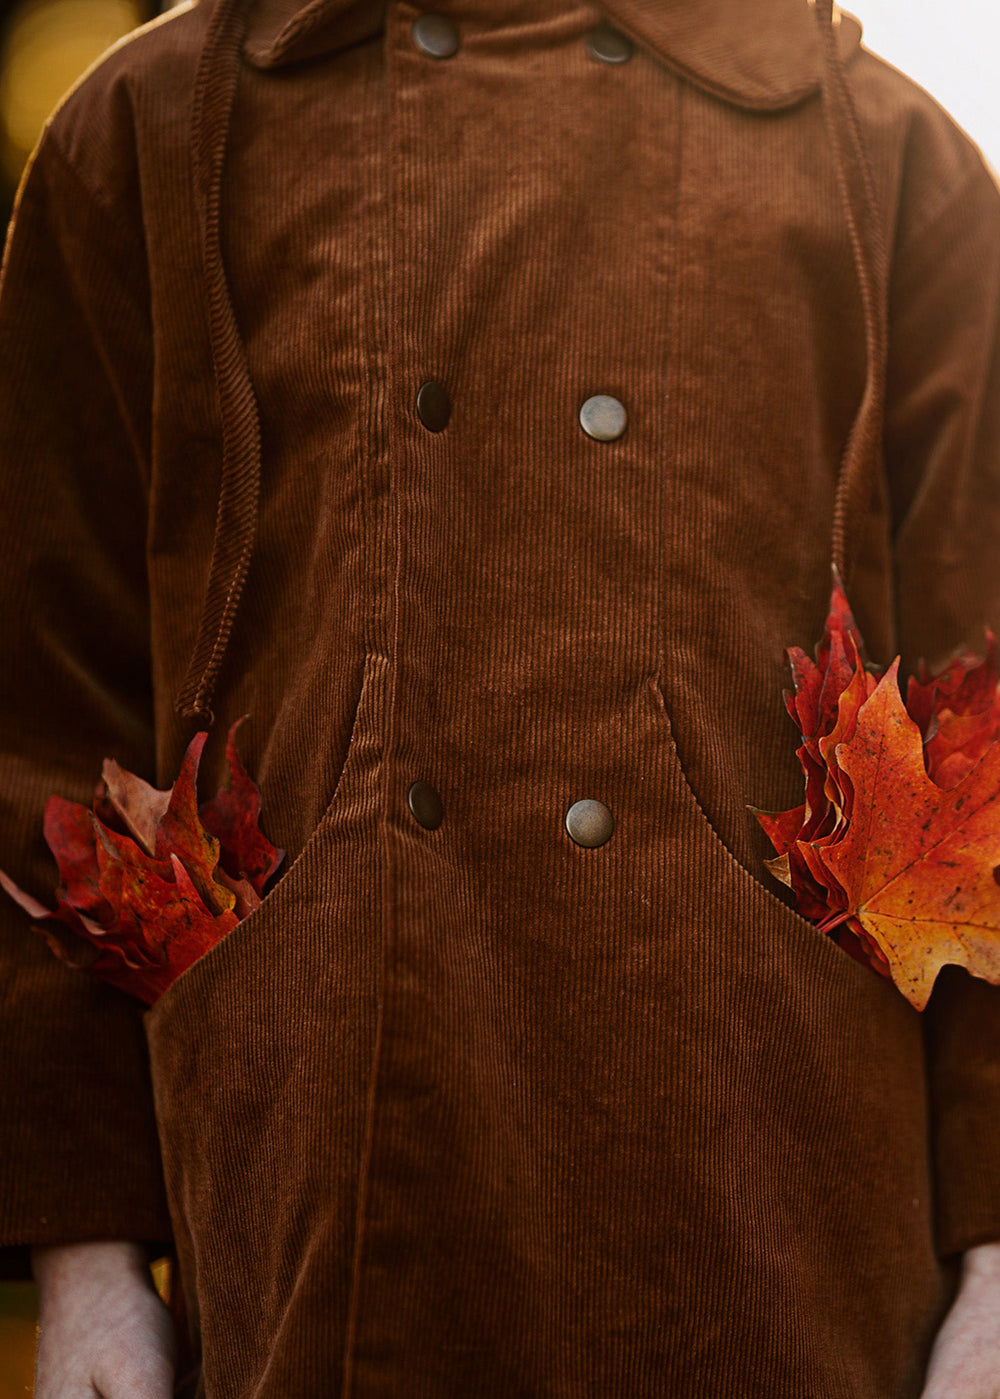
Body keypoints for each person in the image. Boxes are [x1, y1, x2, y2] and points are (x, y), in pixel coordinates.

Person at [2, 0, 1000, 1393]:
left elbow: (987, 752)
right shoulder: (148, 132)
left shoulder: (891, 163)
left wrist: (999, 1271)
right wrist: (89, 1260)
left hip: (785, 1216)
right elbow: (53, 707)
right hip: (322, 1206)